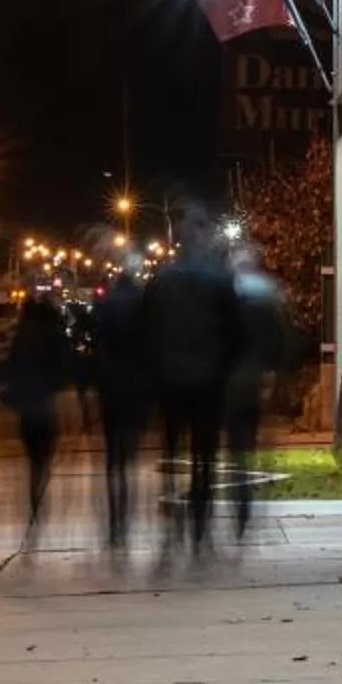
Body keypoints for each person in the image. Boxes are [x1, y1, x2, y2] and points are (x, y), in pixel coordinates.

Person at [140, 233, 240, 556]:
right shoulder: (219, 281)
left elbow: (147, 328)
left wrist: (154, 372)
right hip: (209, 382)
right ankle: (202, 515)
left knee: (172, 447)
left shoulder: (162, 281)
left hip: (171, 380)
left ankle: (172, 511)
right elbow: (234, 331)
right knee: (204, 453)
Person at [222, 241, 288, 541]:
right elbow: (278, 338)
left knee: (236, 444)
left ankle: (241, 499)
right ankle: (248, 499)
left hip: (230, 380)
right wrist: (273, 373)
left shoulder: (225, 295)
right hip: (256, 377)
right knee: (252, 439)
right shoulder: (268, 294)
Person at [0, 288, 73, 531]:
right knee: (44, 459)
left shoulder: (21, 335)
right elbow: (64, 372)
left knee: (33, 461)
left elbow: (10, 369)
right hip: (47, 407)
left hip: (27, 409)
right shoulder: (54, 333)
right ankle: (40, 498)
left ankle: (35, 503)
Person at [91, 259, 149, 551]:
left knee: (112, 457)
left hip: (111, 387)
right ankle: (126, 511)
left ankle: (114, 516)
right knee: (130, 453)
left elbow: (98, 348)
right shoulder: (141, 307)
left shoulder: (107, 305)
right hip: (135, 388)